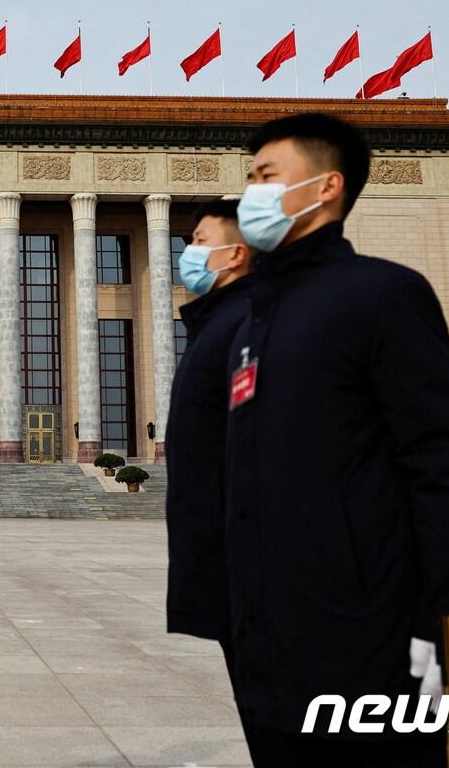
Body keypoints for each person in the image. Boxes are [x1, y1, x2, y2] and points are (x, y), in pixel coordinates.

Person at [222, 113, 449, 765]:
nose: (251, 195)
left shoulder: (384, 294)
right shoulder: (251, 323)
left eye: (267, 177)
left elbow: (444, 466)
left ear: (326, 187)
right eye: (250, 179)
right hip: (274, 648)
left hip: (369, 642)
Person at [165, 200, 252, 650]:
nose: (187, 253)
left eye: (199, 242)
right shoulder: (213, 326)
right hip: (227, 572)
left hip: (269, 574)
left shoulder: (258, 326)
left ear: (238, 253)